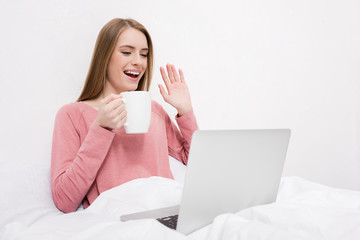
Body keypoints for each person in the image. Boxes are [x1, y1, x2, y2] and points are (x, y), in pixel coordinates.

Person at [51, 18, 199, 213]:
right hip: (116, 220)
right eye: (127, 52)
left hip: (166, 211)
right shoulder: (72, 115)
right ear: (104, 57)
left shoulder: (154, 111)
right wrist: (101, 129)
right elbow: (64, 200)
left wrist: (186, 112)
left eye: (144, 54)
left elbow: (196, 162)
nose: (138, 61)